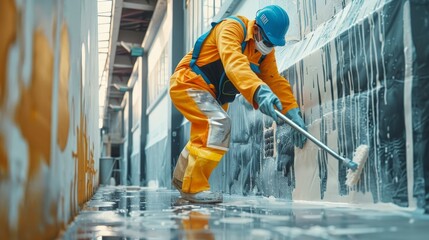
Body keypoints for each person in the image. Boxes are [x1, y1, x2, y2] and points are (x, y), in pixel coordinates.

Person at [169, 5, 307, 203]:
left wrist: (292, 111)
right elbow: (234, 62)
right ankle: (193, 187)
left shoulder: (264, 52)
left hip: (212, 94)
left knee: (206, 135)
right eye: (267, 41)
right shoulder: (232, 28)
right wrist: (259, 91)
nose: (269, 46)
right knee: (218, 124)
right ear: (257, 29)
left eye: (273, 44)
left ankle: (182, 178)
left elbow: (274, 79)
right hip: (189, 82)